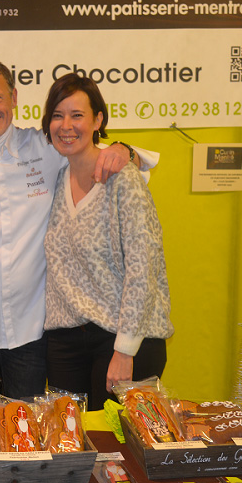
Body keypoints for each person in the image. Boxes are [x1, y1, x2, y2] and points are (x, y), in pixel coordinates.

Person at [0, 58, 159, 399]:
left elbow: (94, 151)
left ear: (14, 97)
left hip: (32, 333)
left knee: (32, 438)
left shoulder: (47, 148)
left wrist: (125, 151)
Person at [40, 74, 172, 405]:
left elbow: (144, 266)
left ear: (98, 119)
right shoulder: (54, 178)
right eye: (57, 115)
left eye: (77, 115)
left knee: (117, 448)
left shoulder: (122, 179)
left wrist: (125, 350)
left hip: (122, 341)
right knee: (70, 446)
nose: (66, 125)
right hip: (65, 341)